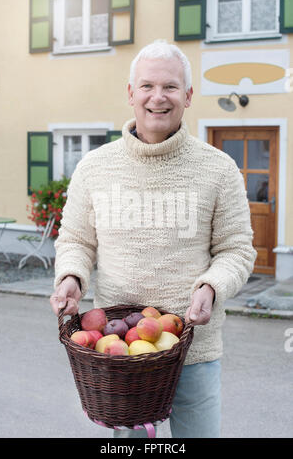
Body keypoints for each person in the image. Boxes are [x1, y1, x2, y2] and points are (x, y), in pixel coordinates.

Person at [50, 40, 257, 438]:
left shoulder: (219, 169)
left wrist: (212, 288)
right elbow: (75, 239)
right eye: (146, 86)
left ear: (189, 96)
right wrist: (71, 278)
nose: (157, 97)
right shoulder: (94, 167)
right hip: (118, 350)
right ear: (130, 93)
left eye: (170, 87)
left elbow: (236, 249)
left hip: (193, 349)